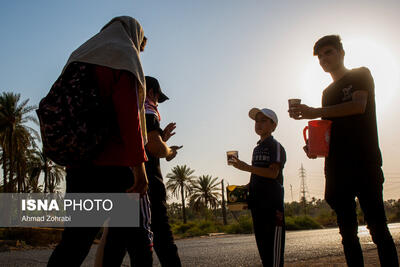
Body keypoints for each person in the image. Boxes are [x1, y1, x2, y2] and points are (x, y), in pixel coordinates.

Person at [47, 16, 152, 267]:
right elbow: (128, 118)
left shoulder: (79, 56)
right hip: (114, 167)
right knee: (137, 239)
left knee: (74, 243)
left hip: (79, 166)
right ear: (133, 36)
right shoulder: (123, 56)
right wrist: (139, 168)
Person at [288, 35, 399, 267]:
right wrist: (315, 145)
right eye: (319, 56)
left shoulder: (360, 75)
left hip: (364, 162)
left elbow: (358, 106)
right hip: (337, 169)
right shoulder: (327, 93)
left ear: (341, 52)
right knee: (347, 235)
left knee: (378, 228)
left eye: (328, 52)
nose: (323, 59)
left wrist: (314, 111)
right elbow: (329, 128)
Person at [231, 108, 286, 267]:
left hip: (272, 208)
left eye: (263, 120)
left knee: (274, 257)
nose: (258, 124)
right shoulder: (257, 148)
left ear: (273, 125)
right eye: (257, 121)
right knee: (264, 254)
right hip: (257, 207)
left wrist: (246, 167)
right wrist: (246, 187)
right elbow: (258, 175)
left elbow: (272, 173)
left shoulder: (275, 146)